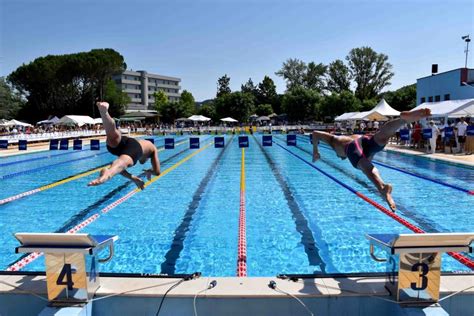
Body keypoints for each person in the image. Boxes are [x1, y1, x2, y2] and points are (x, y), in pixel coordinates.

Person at [312, 108, 431, 212]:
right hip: (365, 139)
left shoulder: (334, 141)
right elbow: (315, 134)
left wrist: (315, 151)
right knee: (381, 137)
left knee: (365, 166)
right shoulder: (343, 140)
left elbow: (315, 133)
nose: (340, 158)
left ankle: (382, 188)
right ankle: (402, 120)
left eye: (340, 157)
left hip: (352, 145)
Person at [88, 101, 161, 189]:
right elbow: (157, 172)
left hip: (126, 142)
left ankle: (104, 112)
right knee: (121, 162)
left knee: (112, 134)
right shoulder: (152, 148)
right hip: (134, 146)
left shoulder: (140, 148)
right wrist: (150, 171)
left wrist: (133, 178)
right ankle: (108, 174)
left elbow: (120, 169)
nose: (143, 162)